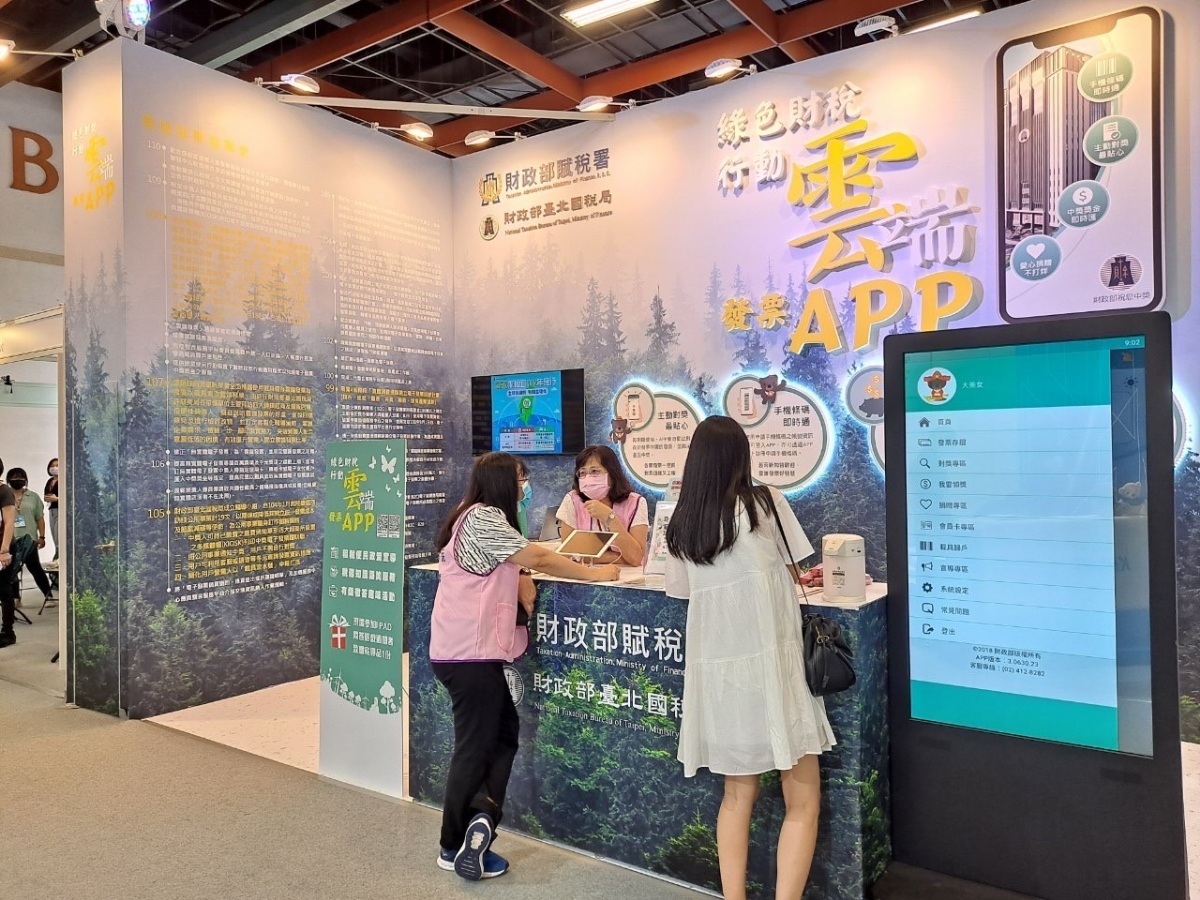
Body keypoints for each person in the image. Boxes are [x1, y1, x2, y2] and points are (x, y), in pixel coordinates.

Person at [664, 417, 835, 900]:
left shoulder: (683, 522)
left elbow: (681, 590)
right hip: (777, 672)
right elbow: (794, 568)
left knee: (736, 798)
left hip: (723, 679)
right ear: (742, 456)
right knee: (802, 800)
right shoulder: (765, 503)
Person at [430, 451, 620, 882]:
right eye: (520, 479)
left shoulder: (472, 515)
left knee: (501, 736)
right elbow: (540, 557)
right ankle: (452, 843)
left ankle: (480, 819)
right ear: (502, 482)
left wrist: (520, 575)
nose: (525, 486)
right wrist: (594, 575)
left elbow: (514, 563)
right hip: (468, 653)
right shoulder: (483, 518)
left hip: (467, 651)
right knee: (475, 746)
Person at [554, 445, 648, 566]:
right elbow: (569, 554)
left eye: (594, 471)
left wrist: (610, 518)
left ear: (612, 475)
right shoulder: (572, 500)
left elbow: (635, 558)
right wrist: (617, 557)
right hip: (585, 574)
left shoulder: (636, 502)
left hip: (628, 575)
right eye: (582, 473)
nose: (588, 478)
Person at [7, 468, 53, 610]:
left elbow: (39, 518)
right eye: (14, 477)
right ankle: (15, 598)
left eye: (20, 477)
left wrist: (42, 536)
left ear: (25, 479)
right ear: (8, 480)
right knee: (11, 570)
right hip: (10, 539)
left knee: (35, 568)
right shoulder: (5, 496)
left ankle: (48, 595)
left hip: (30, 540)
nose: (17, 479)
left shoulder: (33, 497)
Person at [0, 458, 33, 648]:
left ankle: (7, 632)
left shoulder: (4, 491)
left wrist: (4, 550)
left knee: (4, 589)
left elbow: (9, 522)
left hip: (2, 547)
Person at [44, 458, 59, 559]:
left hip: (60, 509)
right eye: (52, 466)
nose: (54, 468)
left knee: (58, 534)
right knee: (53, 533)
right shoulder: (50, 481)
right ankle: (56, 551)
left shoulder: (64, 480)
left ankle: (58, 555)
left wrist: (56, 499)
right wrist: (49, 498)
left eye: (57, 465)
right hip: (51, 510)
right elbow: (46, 496)